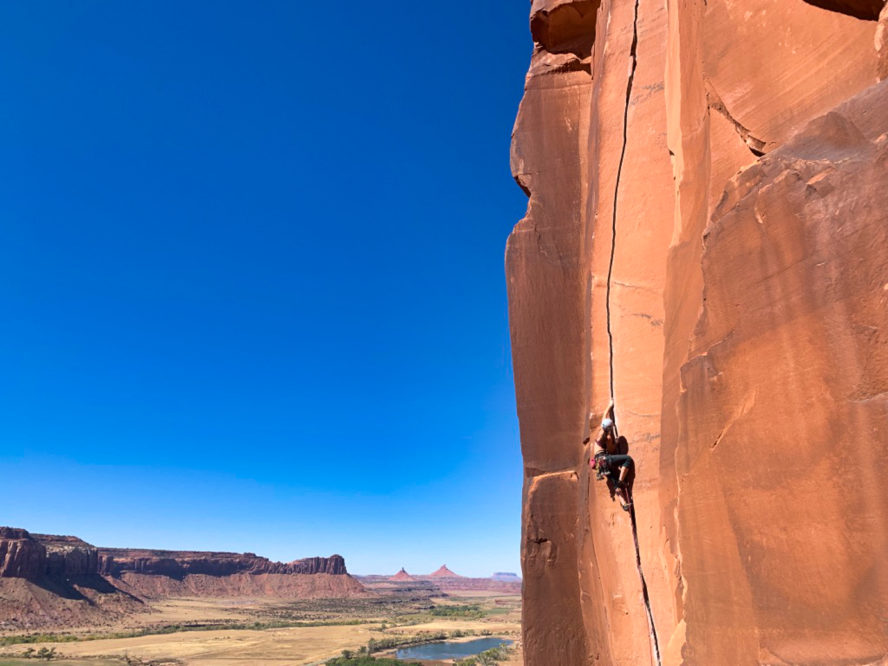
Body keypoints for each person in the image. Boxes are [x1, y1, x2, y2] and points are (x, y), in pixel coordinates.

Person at [586, 400, 634, 511]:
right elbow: (612, 449)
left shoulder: (600, 432)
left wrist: (609, 405)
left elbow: (604, 417)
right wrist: (616, 443)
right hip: (605, 461)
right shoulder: (606, 437)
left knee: (614, 482)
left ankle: (623, 503)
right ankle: (621, 480)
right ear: (609, 428)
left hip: (601, 466)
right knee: (627, 460)